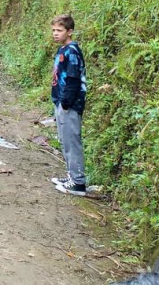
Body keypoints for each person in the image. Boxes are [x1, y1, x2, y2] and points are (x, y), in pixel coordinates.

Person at [50, 13, 88, 197]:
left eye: (59, 30)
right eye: (54, 30)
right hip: (61, 102)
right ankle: (71, 176)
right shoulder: (62, 50)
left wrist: (66, 103)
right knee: (65, 141)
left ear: (70, 32)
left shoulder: (72, 51)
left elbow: (73, 80)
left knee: (72, 142)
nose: (55, 34)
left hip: (70, 105)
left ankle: (78, 182)